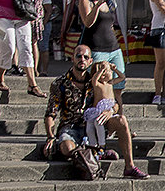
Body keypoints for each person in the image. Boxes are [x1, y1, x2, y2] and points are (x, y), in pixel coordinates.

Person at [44, 44, 149, 180]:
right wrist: (50, 136)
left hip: (96, 123)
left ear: (90, 61)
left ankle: (129, 167)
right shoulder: (60, 83)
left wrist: (110, 111)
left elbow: (115, 103)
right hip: (71, 127)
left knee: (121, 120)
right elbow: (51, 113)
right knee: (66, 147)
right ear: (72, 59)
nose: (82, 59)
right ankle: (94, 153)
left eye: (85, 57)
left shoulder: (97, 80)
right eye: (78, 56)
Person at [76, 0, 126, 94]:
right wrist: (97, 6)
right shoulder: (86, 1)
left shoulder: (108, 2)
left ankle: (115, 111)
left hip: (113, 48)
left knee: (118, 84)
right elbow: (88, 23)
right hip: (96, 49)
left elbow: (109, 23)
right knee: (96, 85)